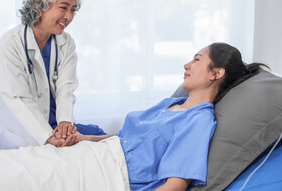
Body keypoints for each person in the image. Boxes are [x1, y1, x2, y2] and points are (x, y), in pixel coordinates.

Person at [74, 42, 267, 191]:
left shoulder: (198, 121)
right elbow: (126, 138)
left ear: (216, 73)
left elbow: (175, 186)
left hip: (109, 174)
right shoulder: (169, 104)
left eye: (197, 60)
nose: (187, 65)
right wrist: (87, 139)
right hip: (95, 154)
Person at [0, 0, 105, 150]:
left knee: (99, 135)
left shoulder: (65, 43)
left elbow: (66, 87)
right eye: (64, 8)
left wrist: (65, 123)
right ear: (40, 5)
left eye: (73, 10)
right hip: (23, 134)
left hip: (54, 128)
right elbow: (18, 99)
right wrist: (48, 137)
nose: (69, 16)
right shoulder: (10, 45)